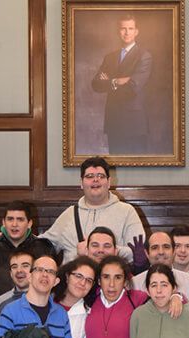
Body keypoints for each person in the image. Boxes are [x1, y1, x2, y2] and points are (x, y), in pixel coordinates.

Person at [39, 157, 145, 265]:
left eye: (101, 176)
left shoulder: (127, 211)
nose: (95, 180)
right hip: (74, 280)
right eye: (89, 176)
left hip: (111, 279)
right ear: (81, 183)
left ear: (109, 182)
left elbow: (138, 252)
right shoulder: (69, 214)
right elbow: (44, 245)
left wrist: (102, 249)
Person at [91, 14, 152, 154]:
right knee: (115, 169)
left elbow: (132, 87)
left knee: (136, 171)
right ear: (118, 31)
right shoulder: (110, 57)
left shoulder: (144, 56)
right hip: (114, 121)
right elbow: (95, 84)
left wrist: (109, 81)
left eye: (130, 28)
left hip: (134, 124)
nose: (126, 32)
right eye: (123, 28)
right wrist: (117, 81)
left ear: (136, 31)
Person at [0, 201, 55, 301]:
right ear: (3, 222)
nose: (14, 224)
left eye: (20, 219)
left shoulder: (43, 248)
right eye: (10, 219)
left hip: (36, 309)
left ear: (29, 223)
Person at [131, 231, 189, 301]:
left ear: (174, 251)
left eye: (166, 247)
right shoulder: (134, 285)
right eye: (155, 247)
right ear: (147, 253)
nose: (161, 252)